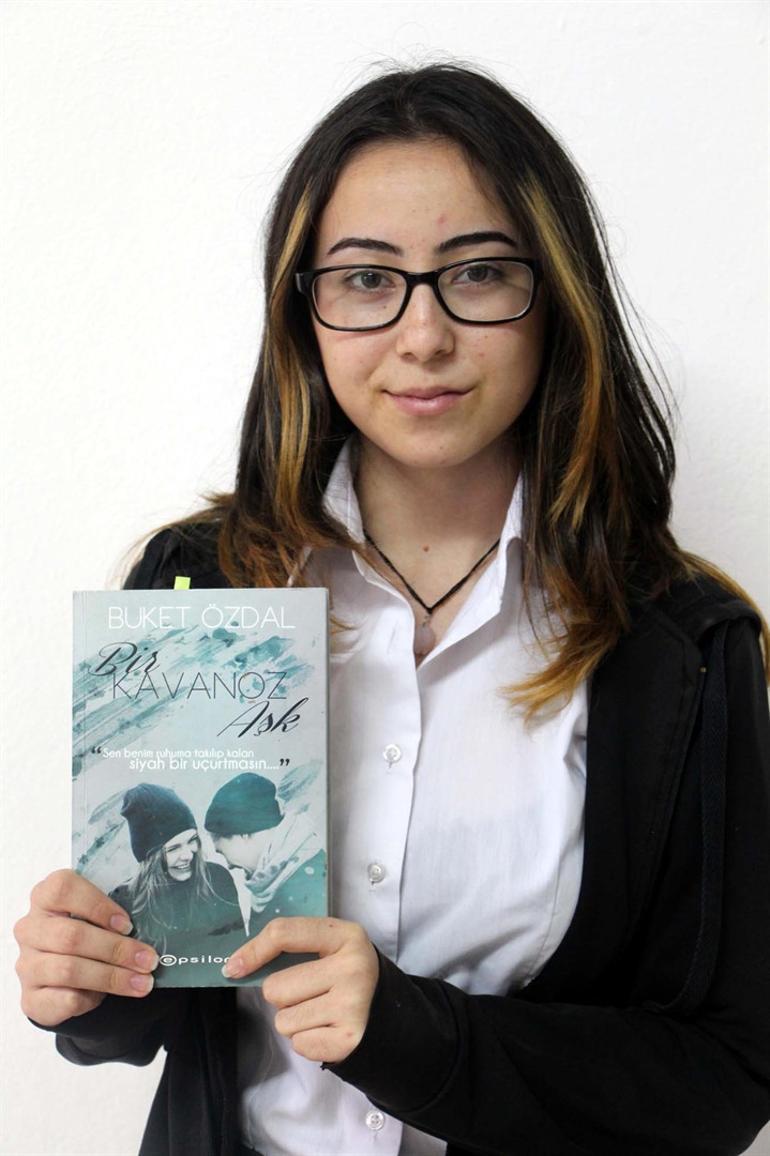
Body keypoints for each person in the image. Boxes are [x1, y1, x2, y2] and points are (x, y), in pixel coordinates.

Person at [13, 62, 770, 1156]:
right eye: (367, 279)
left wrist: (415, 1037)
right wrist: (87, 986)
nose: (422, 336)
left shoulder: (680, 644)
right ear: (304, 311)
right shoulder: (200, 585)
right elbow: (157, 1001)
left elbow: (721, 1079)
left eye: (478, 273)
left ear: (555, 297)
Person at [111, 784, 248, 983]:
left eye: (192, 841)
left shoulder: (217, 878)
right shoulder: (124, 900)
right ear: (150, 857)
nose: (187, 855)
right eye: (174, 848)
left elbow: (237, 950)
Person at [204, 772, 326, 931]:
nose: (229, 866)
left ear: (243, 834)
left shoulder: (311, 886)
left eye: (222, 852)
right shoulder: (272, 880)